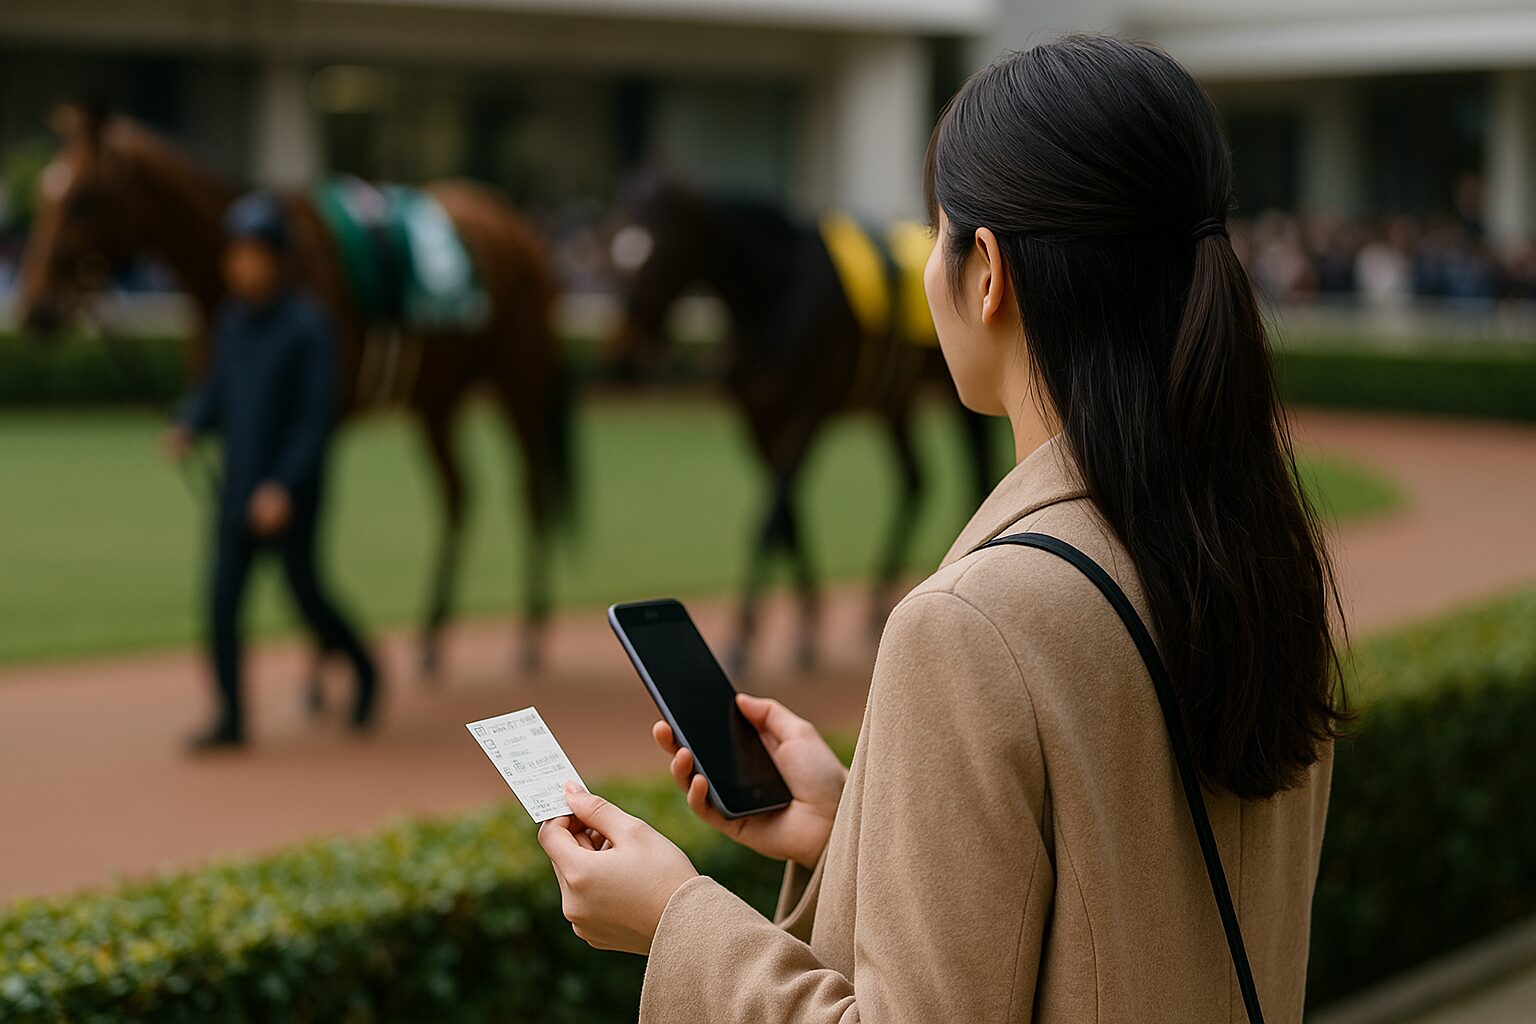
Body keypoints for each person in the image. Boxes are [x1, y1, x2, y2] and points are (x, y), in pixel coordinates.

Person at [535, 34, 1345, 1022]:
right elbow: (1122, 912)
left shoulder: (973, 625)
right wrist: (858, 825)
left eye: (936, 233)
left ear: (988, 270)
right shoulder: (1259, 554)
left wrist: (674, 920)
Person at [164, 192, 379, 751]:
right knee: (221, 601)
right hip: (236, 489)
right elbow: (218, 390)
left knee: (307, 597)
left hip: (292, 496)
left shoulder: (310, 327)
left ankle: (365, 667)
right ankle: (231, 720)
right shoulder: (232, 321)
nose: (240, 265)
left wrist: (283, 486)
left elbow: (315, 422)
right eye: (234, 254)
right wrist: (190, 423)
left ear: (278, 260)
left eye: (252, 253)